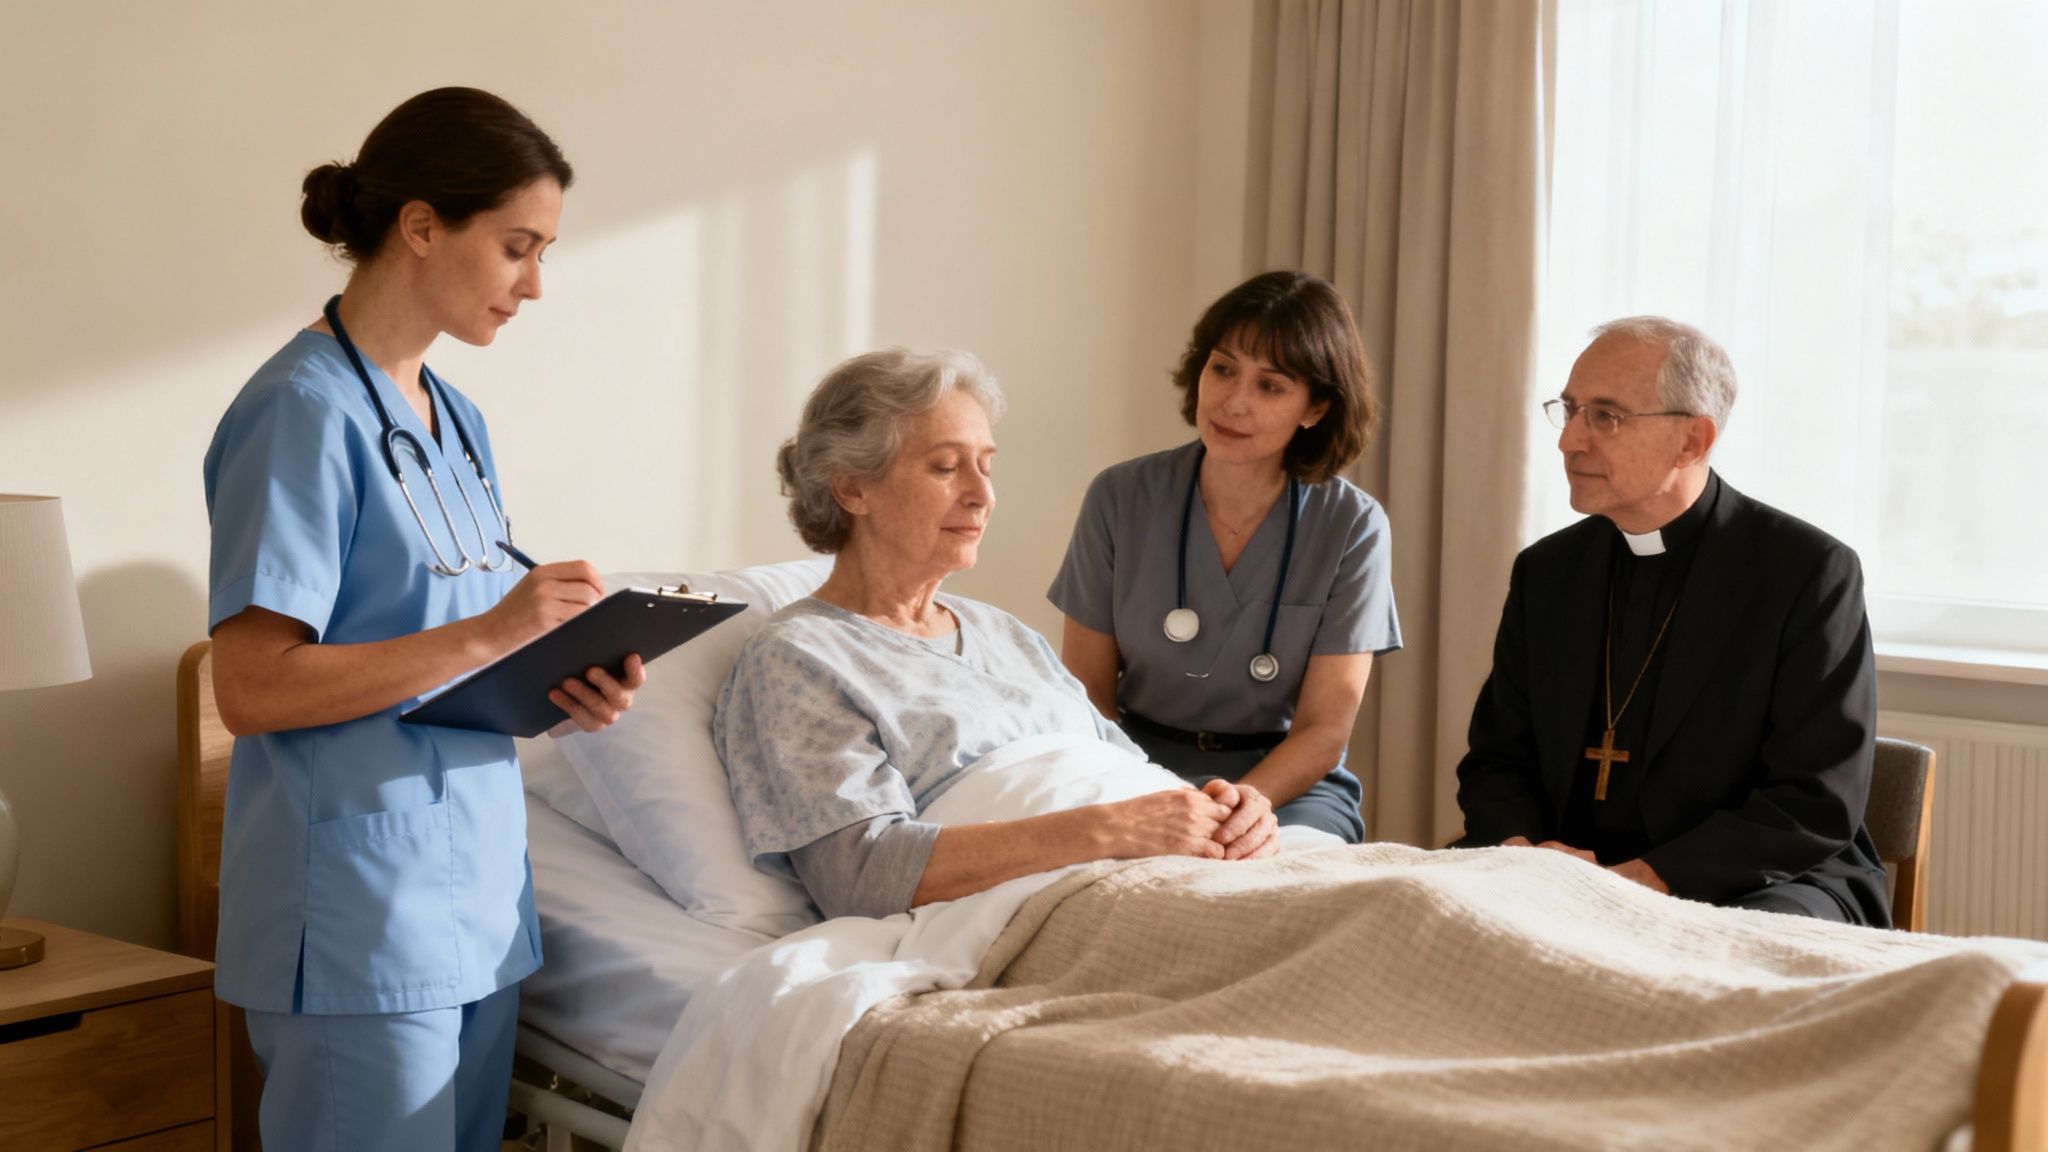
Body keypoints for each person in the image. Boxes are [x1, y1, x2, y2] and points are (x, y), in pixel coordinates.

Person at [203, 88, 647, 1150]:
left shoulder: (456, 417)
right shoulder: (300, 409)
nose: (535, 284)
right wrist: (493, 632)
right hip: (358, 918)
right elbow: (251, 689)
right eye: (516, 247)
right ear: (418, 225)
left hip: (477, 901)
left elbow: (443, 645)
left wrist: (560, 673)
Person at [713, 349, 1281, 920]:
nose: (983, 495)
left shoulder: (1003, 631)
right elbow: (862, 875)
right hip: (1066, 907)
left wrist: (1227, 807)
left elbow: (1130, 782)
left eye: (986, 465)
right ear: (852, 489)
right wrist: (1110, 830)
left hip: (1173, 872)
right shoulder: (799, 658)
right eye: (945, 467)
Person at [1453, 317, 1889, 925]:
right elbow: (1497, 759)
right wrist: (1526, 855)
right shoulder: (1547, 571)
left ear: (1693, 440)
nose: (1569, 441)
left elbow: (1813, 800)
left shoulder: (1805, 573)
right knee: (1419, 915)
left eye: (1605, 416)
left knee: (1737, 952)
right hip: (1563, 868)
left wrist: (1638, 882)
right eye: (1571, 410)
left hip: (1752, 878)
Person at [1047, 271, 1401, 843]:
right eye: (1224, 368)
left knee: (1283, 883)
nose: (1233, 401)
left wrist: (1246, 804)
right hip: (1132, 767)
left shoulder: (1352, 526)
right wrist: (1139, 789)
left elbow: (1323, 728)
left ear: (1314, 409)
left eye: (1271, 386)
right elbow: (1087, 689)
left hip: (1286, 784)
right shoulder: (1121, 497)